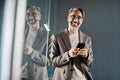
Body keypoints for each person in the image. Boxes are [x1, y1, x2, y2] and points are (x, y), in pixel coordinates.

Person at [49, 8, 94, 80]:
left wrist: (86, 55)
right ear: (68, 18)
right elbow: (53, 62)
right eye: (73, 16)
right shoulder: (56, 37)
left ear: (82, 21)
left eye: (79, 17)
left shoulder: (87, 38)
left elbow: (90, 62)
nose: (75, 19)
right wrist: (68, 55)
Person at [21, 6, 49, 80]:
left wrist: (32, 52)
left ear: (40, 17)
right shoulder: (20, 34)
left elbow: (48, 61)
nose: (31, 17)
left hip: (37, 78)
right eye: (28, 14)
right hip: (21, 76)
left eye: (34, 14)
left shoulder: (48, 36)